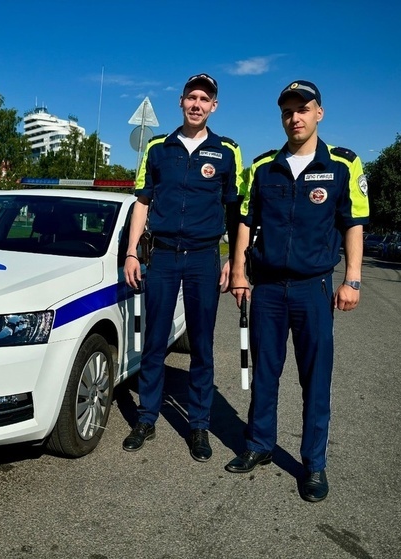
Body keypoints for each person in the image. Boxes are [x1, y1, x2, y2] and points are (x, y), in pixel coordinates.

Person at [224, 80, 370, 501]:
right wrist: (238, 271)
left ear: (319, 113)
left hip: (314, 289)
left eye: (302, 109)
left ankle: (314, 465)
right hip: (267, 287)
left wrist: (353, 279)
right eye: (287, 111)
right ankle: (258, 445)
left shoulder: (343, 165)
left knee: (315, 380)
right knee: (264, 375)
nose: (295, 117)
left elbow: (353, 225)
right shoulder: (263, 166)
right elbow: (246, 222)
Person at [122, 73, 243, 462]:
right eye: (191, 97)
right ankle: (146, 418)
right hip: (164, 256)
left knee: (202, 346)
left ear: (214, 107)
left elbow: (237, 211)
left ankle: (198, 425)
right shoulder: (158, 148)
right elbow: (142, 201)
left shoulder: (228, 152)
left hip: (205, 258)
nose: (197, 104)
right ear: (180, 102)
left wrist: (235, 262)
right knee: (155, 341)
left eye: (204, 99)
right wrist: (130, 253)